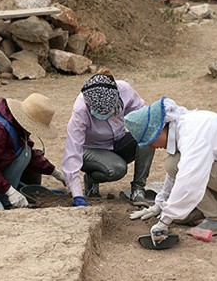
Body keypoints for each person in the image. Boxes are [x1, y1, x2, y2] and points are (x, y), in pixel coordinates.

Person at [126, 97, 217, 245]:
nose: (151, 147)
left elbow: (189, 179)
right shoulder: (180, 129)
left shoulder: (192, 133)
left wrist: (163, 222)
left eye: (149, 142)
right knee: (181, 217)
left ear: (159, 130)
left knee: (175, 168)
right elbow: (175, 176)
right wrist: (159, 205)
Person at [62, 68, 155, 207]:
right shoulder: (80, 109)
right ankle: (91, 178)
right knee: (117, 169)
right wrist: (77, 196)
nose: (104, 115)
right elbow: (72, 153)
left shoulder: (124, 90)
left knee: (148, 136)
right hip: (91, 150)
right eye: (99, 112)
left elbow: (143, 117)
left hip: (118, 141)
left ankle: (137, 190)